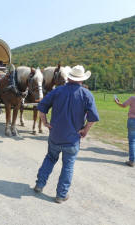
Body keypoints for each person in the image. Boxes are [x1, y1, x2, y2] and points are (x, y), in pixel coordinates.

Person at [34, 65, 99, 203]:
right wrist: (85, 130)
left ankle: (39, 185)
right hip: (72, 138)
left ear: (69, 77)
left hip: (55, 135)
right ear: (82, 79)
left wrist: (45, 122)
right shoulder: (87, 94)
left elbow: (41, 107)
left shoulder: (57, 91)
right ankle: (61, 195)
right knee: (68, 166)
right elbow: (93, 118)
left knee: (50, 159)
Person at [114, 95, 135, 167]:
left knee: (132, 141)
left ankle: (132, 161)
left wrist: (117, 102)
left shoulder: (132, 98)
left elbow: (123, 105)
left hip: (132, 120)